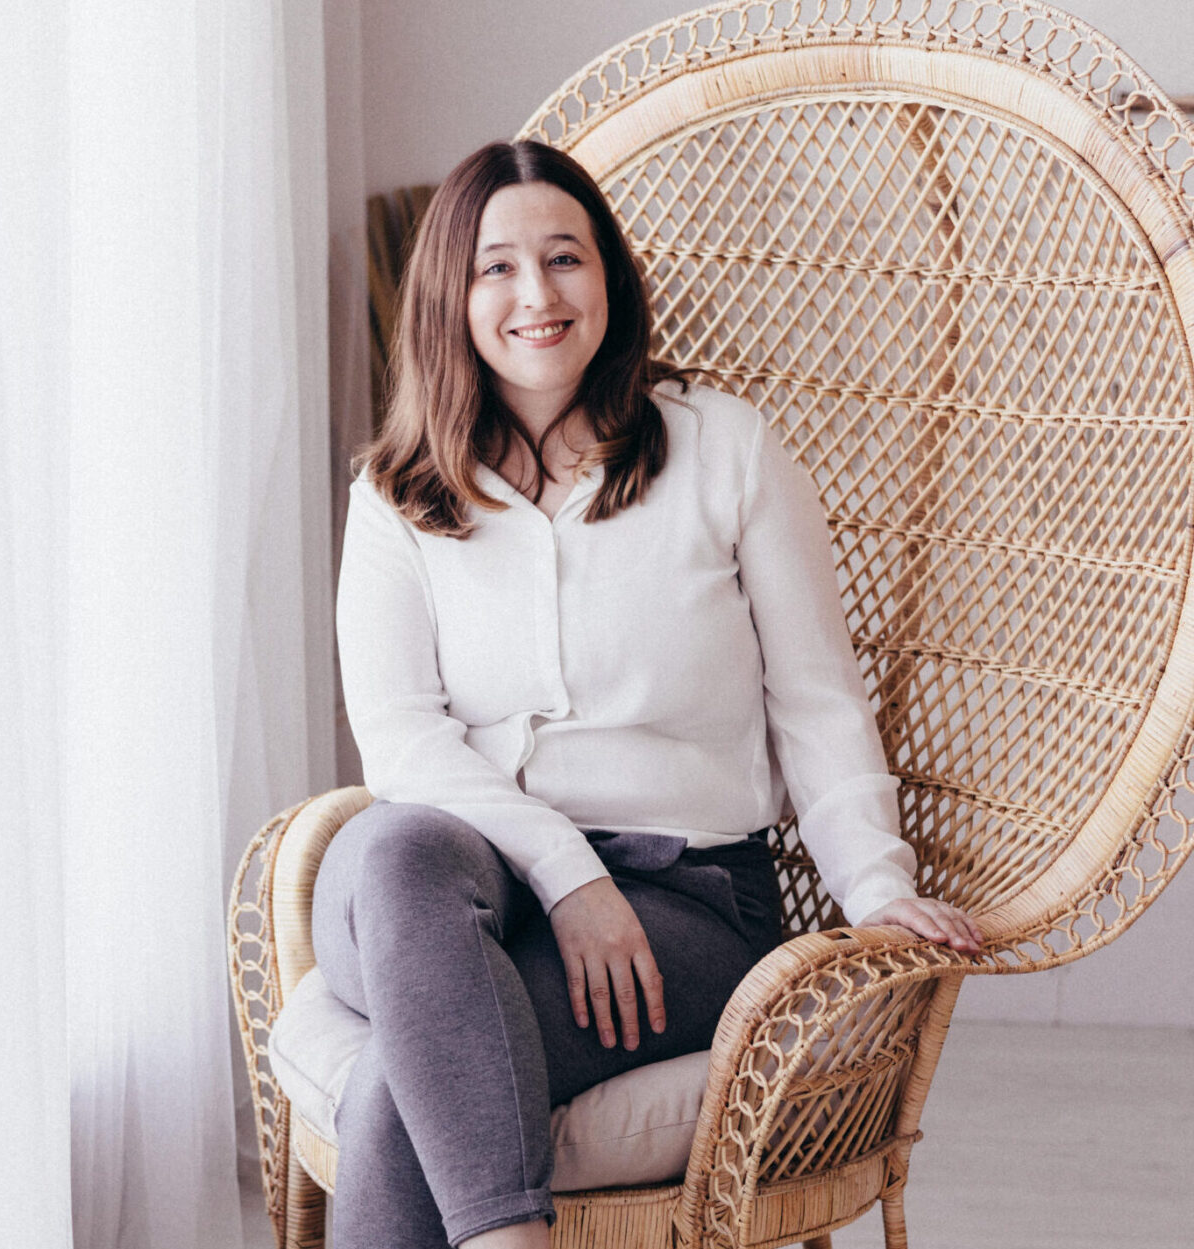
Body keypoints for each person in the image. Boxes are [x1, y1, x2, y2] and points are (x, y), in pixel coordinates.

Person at [312, 139, 982, 1249]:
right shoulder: (395, 495)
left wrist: (875, 886)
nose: (536, 295)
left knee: (406, 1078)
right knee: (394, 847)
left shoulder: (724, 451)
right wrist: (567, 876)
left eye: (564, 257)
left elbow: (816, 697)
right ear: (448, 297)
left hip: (686, 898)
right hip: (442, 889)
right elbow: (400, 742)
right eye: (496, 268)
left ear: (609, 278)